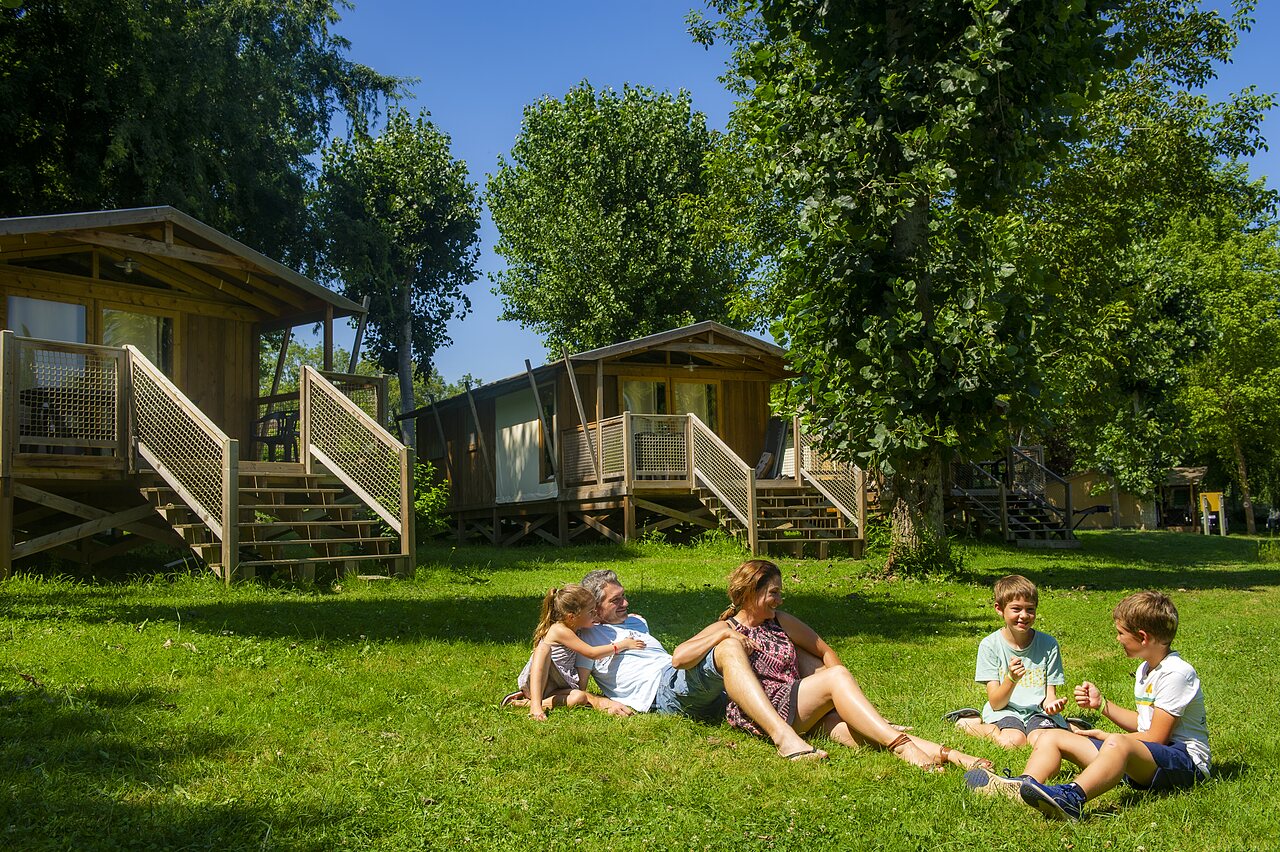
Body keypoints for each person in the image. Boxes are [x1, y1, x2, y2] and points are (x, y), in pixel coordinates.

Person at [689, 558, 992, 771]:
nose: (780, 600)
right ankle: (902, 744)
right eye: (774, 593)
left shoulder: (781, 621)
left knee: (862, 732)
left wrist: (842, 703)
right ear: (752, 592)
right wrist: (725, 635)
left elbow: (824, 649)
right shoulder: (727, 626)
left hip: (798, 704)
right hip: (767, 709)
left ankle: (953, 756)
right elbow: (680, 657)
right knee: (837, 677)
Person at [965, 591, 1210, 821]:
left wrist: (1110, 738)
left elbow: (1156, 738)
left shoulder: (1176, 673)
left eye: (1121, 633)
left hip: (1184, 763)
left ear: (1143, 637)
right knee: (1054, 737)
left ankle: (1071, 797)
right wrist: (1102, 705)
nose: (1117, 639)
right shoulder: (1147, 668)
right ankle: (1022, 787)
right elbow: (1144, 723)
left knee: (1119, 742)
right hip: (1144, 760)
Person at [575, 568, 828, 761]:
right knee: (728, 645)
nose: (626, 604)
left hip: (681, 680)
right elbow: (576, 685)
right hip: (663, 692)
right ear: (595, 608)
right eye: (616, 601)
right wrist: (599, 701)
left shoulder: (636, 621)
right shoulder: (587, 636)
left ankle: (838, 719)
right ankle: (784, 738)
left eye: (624, 597)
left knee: (795, 653)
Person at [951, 574, 1070, 748]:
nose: (1024, 615)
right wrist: (1011, 679)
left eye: (1030, 609)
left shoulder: (1049, 644)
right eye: (1016, 609)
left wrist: (1052, 705)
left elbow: (1049, 695)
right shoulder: (990, 645)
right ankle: (970, 725)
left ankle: (1069, 725)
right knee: (1013, 742)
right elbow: (996, 702)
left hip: (1037, 711)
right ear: (999, 609)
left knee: (1042, 741)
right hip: (1004, 711)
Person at [504, 584, 645, 720]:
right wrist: (622, 645)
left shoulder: (576, 624)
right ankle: (535, 706)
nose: (594, 614)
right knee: (543, 648)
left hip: (559, 686)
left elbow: (597, 619)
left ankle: (524, 703)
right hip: (543, 683)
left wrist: (625, 619)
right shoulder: (559, 630)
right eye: (591, 612)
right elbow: (591, 653)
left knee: (580, 698)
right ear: (571, 617)